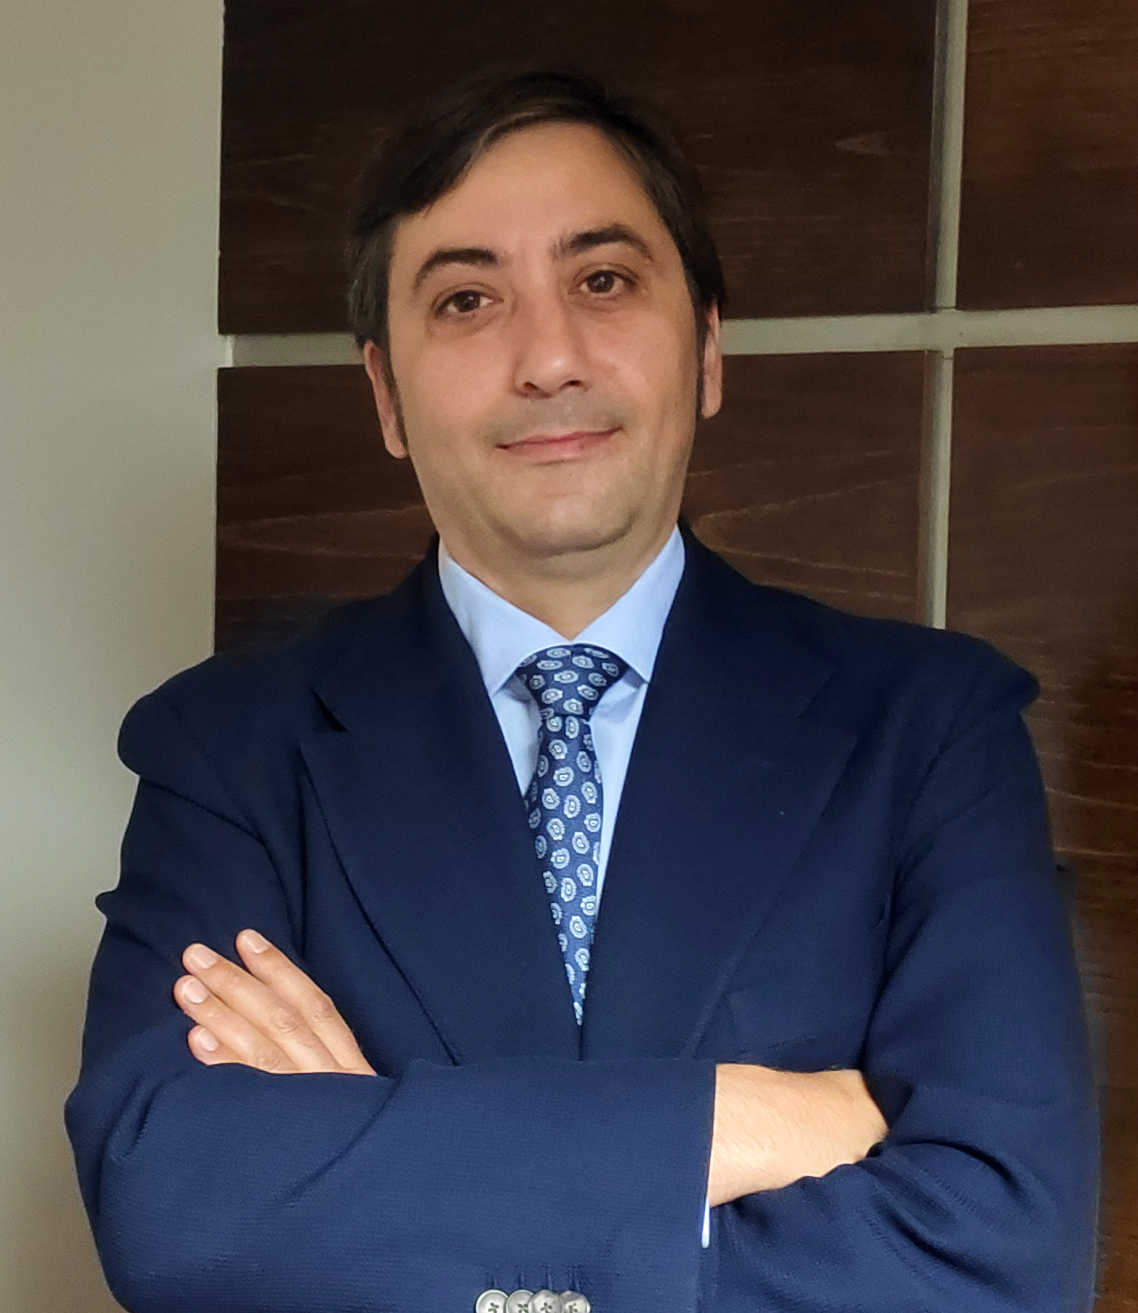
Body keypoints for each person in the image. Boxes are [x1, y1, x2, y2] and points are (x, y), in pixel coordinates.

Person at [66, 68, 1098, 1313]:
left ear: (706, 348)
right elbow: (173, 1211)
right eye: (466, 299)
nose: (549, 357)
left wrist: (370, 1156)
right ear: (386, 394)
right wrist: (728, 1122)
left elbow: (1002, 1258)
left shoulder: (931, 729)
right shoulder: (227, 748)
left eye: (602, 281)